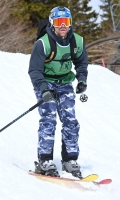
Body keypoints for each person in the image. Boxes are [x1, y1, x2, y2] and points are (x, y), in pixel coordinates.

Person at [28, 6, 88, 178]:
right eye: (59, 22)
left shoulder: (77, 41)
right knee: (48, 119)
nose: (63, 26)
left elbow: (81, 63)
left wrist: (82, 79)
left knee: (70, 121)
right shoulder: (43, 43)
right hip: (45, 82)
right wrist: (43, 89)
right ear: (52, 24)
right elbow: (34, 70)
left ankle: (70, 159)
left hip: (65, 83)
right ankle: (44, 159)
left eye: (66, 22)